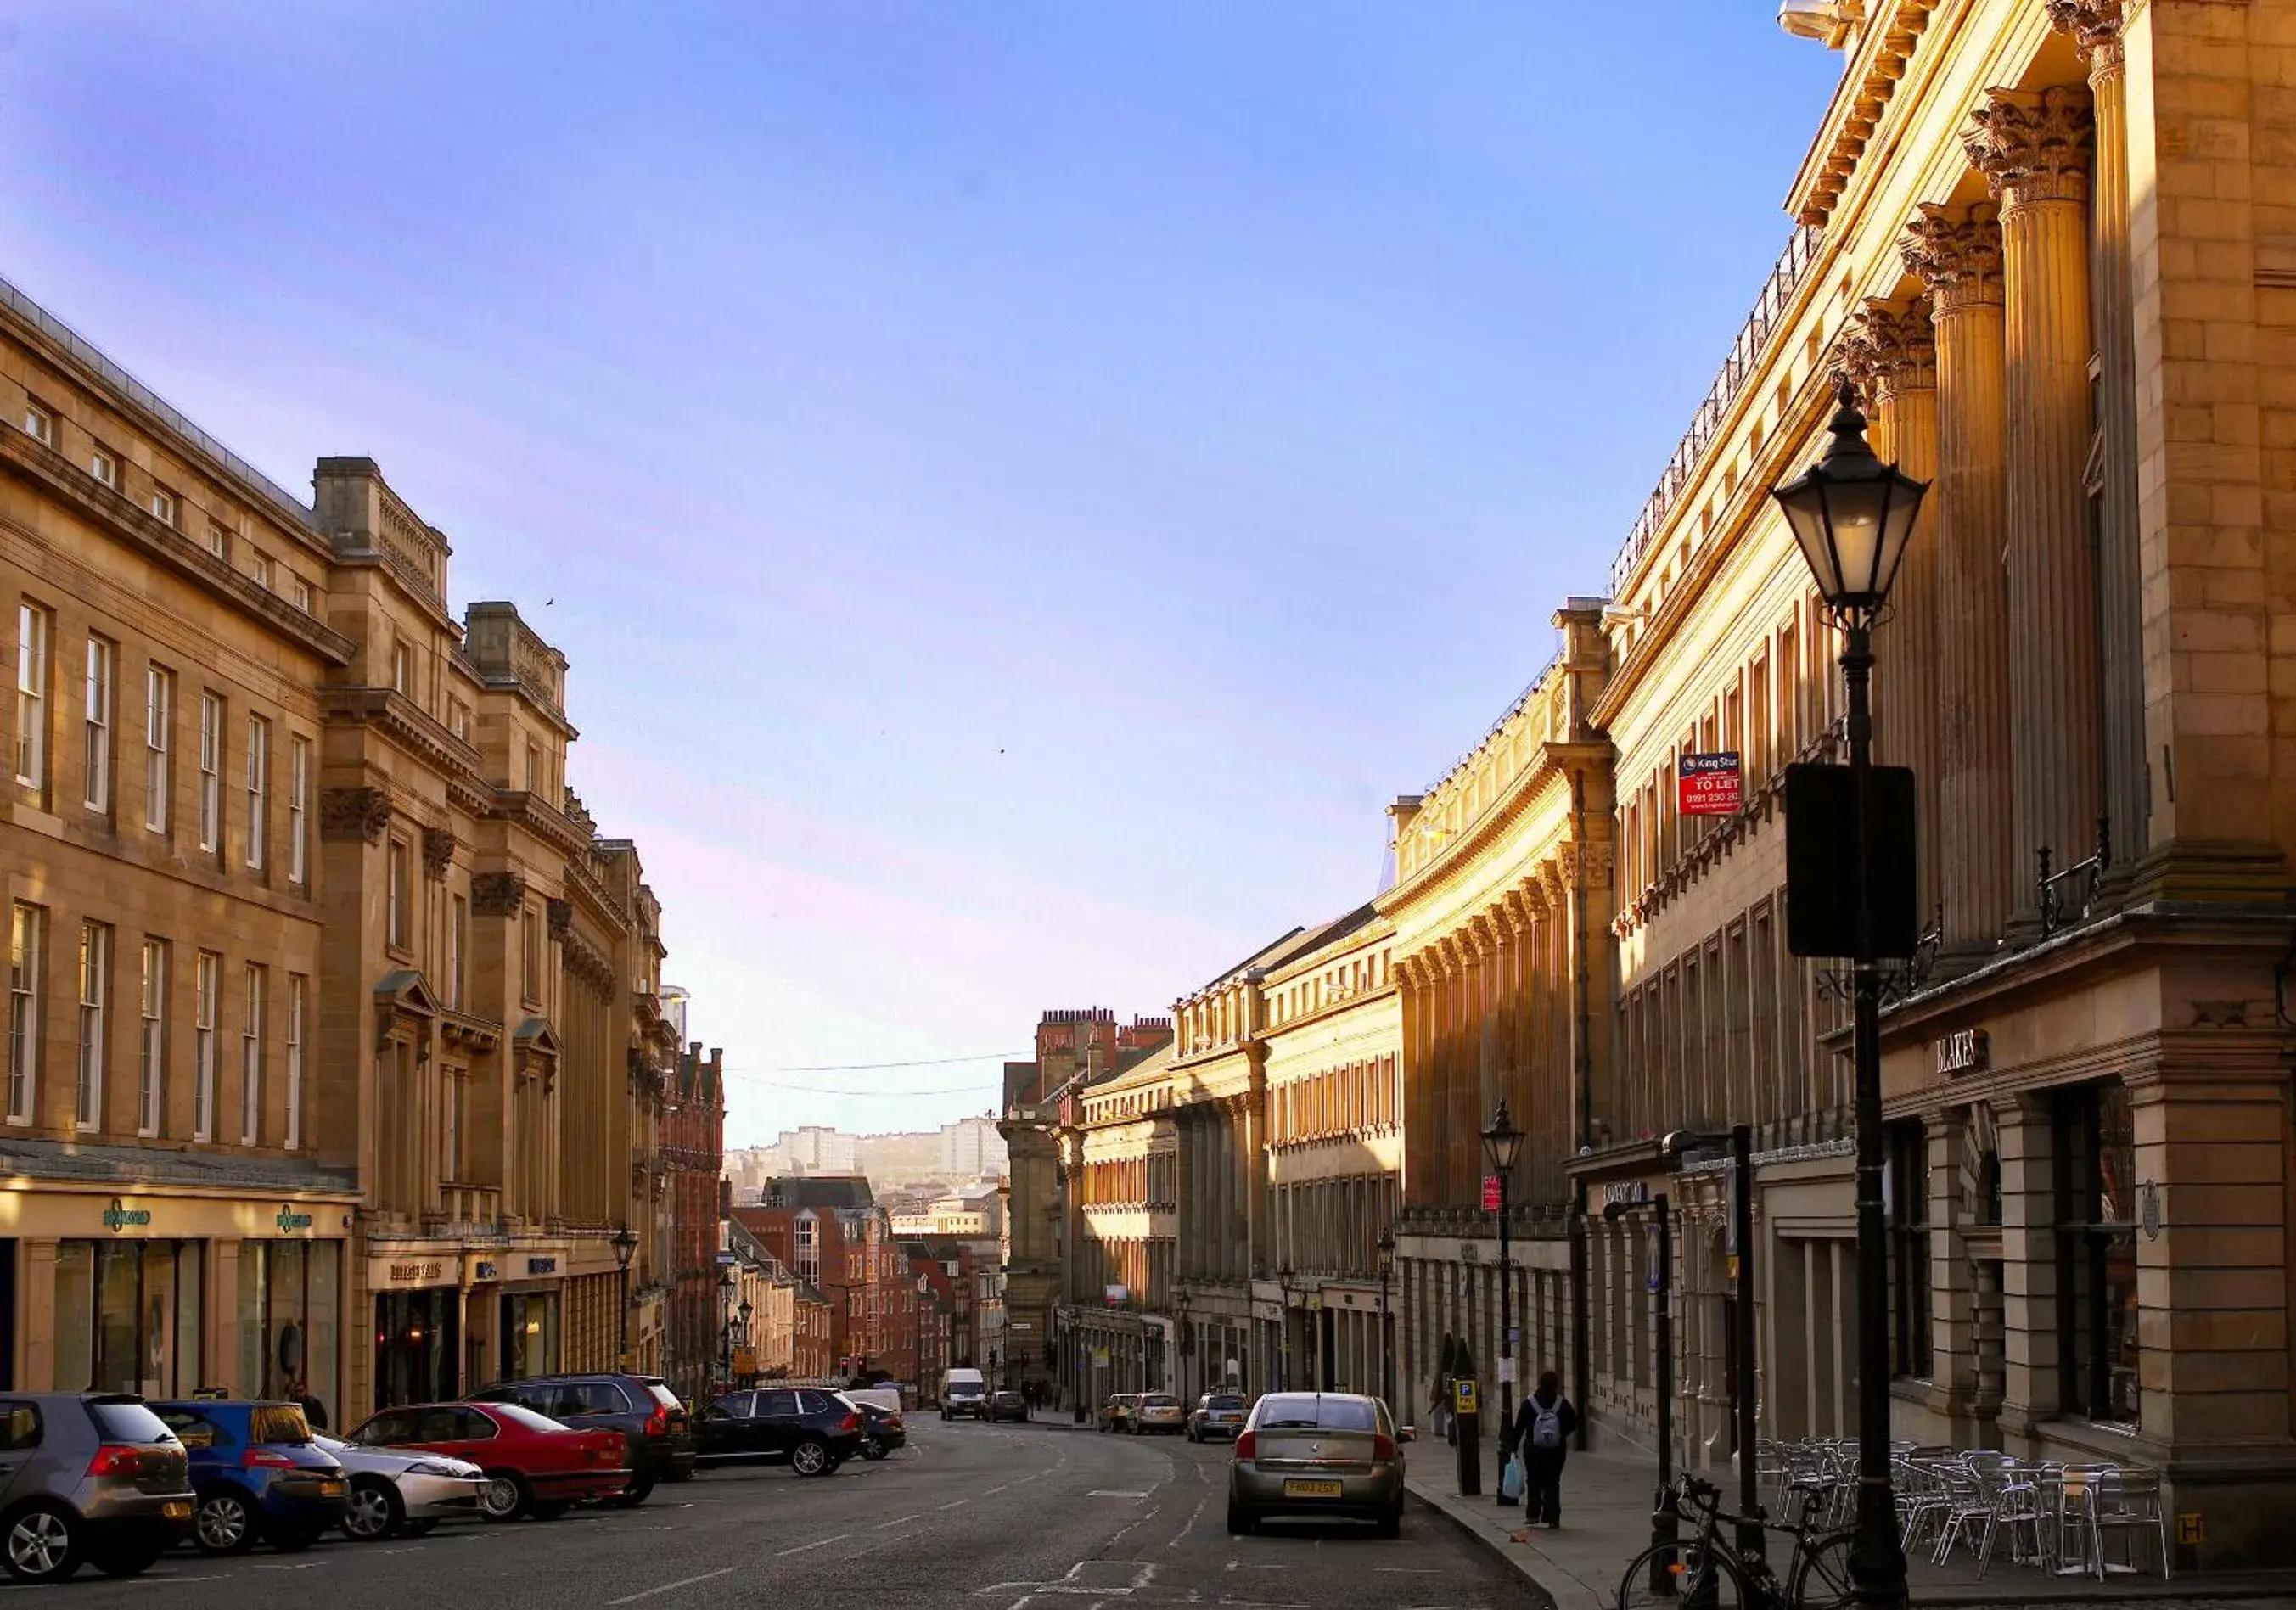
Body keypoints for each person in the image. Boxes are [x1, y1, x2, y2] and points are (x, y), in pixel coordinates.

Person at [1509, 1370, 1578, 1528]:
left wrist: (1513, 1447)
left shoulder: (1529, 1403)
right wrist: (1560, 1435)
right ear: (1556, 1386)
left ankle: (1533, 1514)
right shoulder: (1562, 1404)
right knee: (1553, 1481)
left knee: (1534, 1481)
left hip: (1534, 1450)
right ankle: (1552, 1516)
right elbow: (1573, 1423)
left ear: (1539, 1385)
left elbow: (1519, 1427)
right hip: (1556, 1451)